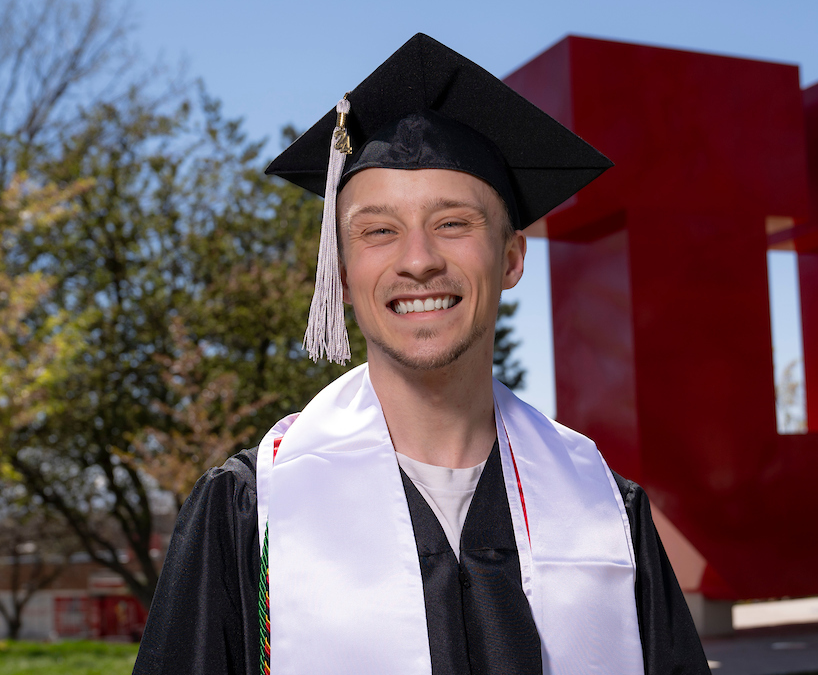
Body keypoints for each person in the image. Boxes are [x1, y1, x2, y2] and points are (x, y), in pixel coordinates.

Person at [132, 33, 709, 675]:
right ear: (341, 274)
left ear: (511, 258)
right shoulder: (250, 511)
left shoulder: (605, 512)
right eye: (379, 231)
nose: (418, 261)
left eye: (453, 223)